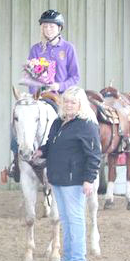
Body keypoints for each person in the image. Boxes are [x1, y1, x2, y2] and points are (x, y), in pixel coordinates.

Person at [7, 10, 82, 182]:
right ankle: (16, 163)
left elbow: (75, 76)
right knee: (18, 121)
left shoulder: (68, 48)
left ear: (59, 28)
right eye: (45, 26)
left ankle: (73, 162)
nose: (48, 29)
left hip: (60, 97)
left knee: (71, 126)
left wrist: (59, 85)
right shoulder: (36, 49)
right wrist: (34, 91)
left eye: (51, 26)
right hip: (38, 98)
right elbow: (30, 77)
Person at [34, 86, 100, 261]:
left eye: (73, 102)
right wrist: (41, 151)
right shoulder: (58, 122)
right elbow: (51, 144)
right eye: (67, 101)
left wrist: (89, 179)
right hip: (58, 177)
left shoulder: (87, 125)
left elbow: (94, 155)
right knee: (66, 219)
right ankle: (68, 258)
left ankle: (78, 260)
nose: (69, 105)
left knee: (75, 218)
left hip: (74, 179)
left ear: (80, 104)